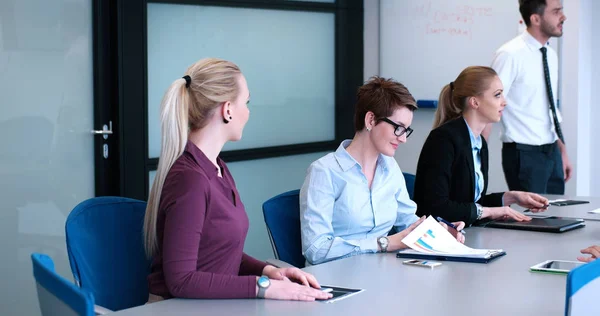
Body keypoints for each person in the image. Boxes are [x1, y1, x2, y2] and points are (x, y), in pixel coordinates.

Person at [143, 58, 331, 302]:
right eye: (247, 102)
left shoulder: (217, 168)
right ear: (228, 109)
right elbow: (182, 280)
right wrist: (262, 287)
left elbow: (218, 251)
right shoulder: (190, 180)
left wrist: (267, 271)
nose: (249, 111)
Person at [300, 76, 465, 266]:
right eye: (398, 128)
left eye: (406, 130)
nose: (403, 139)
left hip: (379, 272)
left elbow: (408, 221)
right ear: (371, 119)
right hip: (335, 280)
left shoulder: (390, 167)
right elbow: (315, 249)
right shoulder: (324, 172)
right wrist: (383, 243)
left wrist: (438, 231)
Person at [413, 66, 548, 226]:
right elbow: (436, 207)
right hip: (439, 237)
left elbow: (471, 202)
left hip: (465, 233)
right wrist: (491, 211)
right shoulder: (443, 140)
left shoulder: (478, 142)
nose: (504, 102)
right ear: (474, 102)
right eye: (497, 95)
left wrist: (512, 197)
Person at [489, 0, 572, 194]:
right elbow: (488, 105)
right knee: (533, 221)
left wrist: (562, 151)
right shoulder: (509, 55)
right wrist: (477, 158)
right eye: (557, 11)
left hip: (552, 151)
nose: (563, 17)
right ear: (535, 18)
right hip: (524, 154)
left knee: (556, 217)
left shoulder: (550, 55)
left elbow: (549, 105)